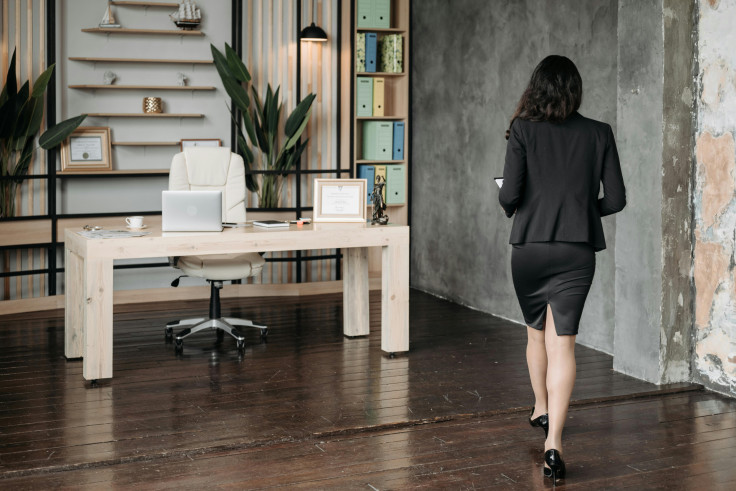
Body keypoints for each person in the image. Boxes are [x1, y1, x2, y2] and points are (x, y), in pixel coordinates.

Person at [498, 55, 626, 482]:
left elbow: (508, 197)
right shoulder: (598, 132)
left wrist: (519, 199)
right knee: (564, 345)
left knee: (536, 331)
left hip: (530, 248)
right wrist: (581, 211)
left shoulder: (522, 130)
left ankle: (540, 406)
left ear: (537, 88)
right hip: (576, 251)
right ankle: (554, 443)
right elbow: (616, 199)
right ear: (575, 90)